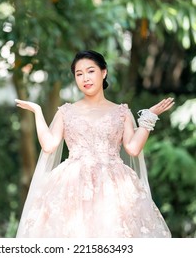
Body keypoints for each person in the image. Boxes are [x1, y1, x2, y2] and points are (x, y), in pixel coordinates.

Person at [15, 50, 174, 238]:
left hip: (114, 190)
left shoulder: (121, 112)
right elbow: (49, 145)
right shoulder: (66, 112)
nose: (85, 78)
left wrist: (149, 117)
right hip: (71, 187)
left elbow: (132, 148)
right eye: (79, 74)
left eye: (90, 71)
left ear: (103, 72)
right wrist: (38, 111)